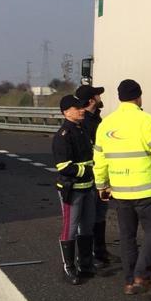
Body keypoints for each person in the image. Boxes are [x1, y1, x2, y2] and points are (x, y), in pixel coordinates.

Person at [93, 79, 151, 298]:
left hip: (120, 191)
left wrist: (101, 185)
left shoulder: (106, 124)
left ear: (120, 97)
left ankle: (130, 282)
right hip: (146, 191)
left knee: (128, 236)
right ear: (139, 96)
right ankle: (142, 275)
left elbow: (99, 160)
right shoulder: (147, 120)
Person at [52, 94, 96, 285]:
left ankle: (85, 264)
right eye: (77, 108)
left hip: (88, 188)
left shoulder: (82, 130)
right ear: (66, 112)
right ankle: (69, 267)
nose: (82, 110)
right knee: (70, 228)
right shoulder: (63, 135)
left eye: (82, 107)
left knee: (86, 227)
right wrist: (89, 170)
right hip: (73, 190)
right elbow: (64, 166)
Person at [76, 83, 118, 267]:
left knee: (101, 213)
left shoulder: (98, 120)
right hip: (92, 178)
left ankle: (100, 251)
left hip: (103, 178)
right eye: (98, 96)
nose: (101, 98)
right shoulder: (84, 124)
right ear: (92, 100)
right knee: (90, 216)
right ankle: (90, 254)